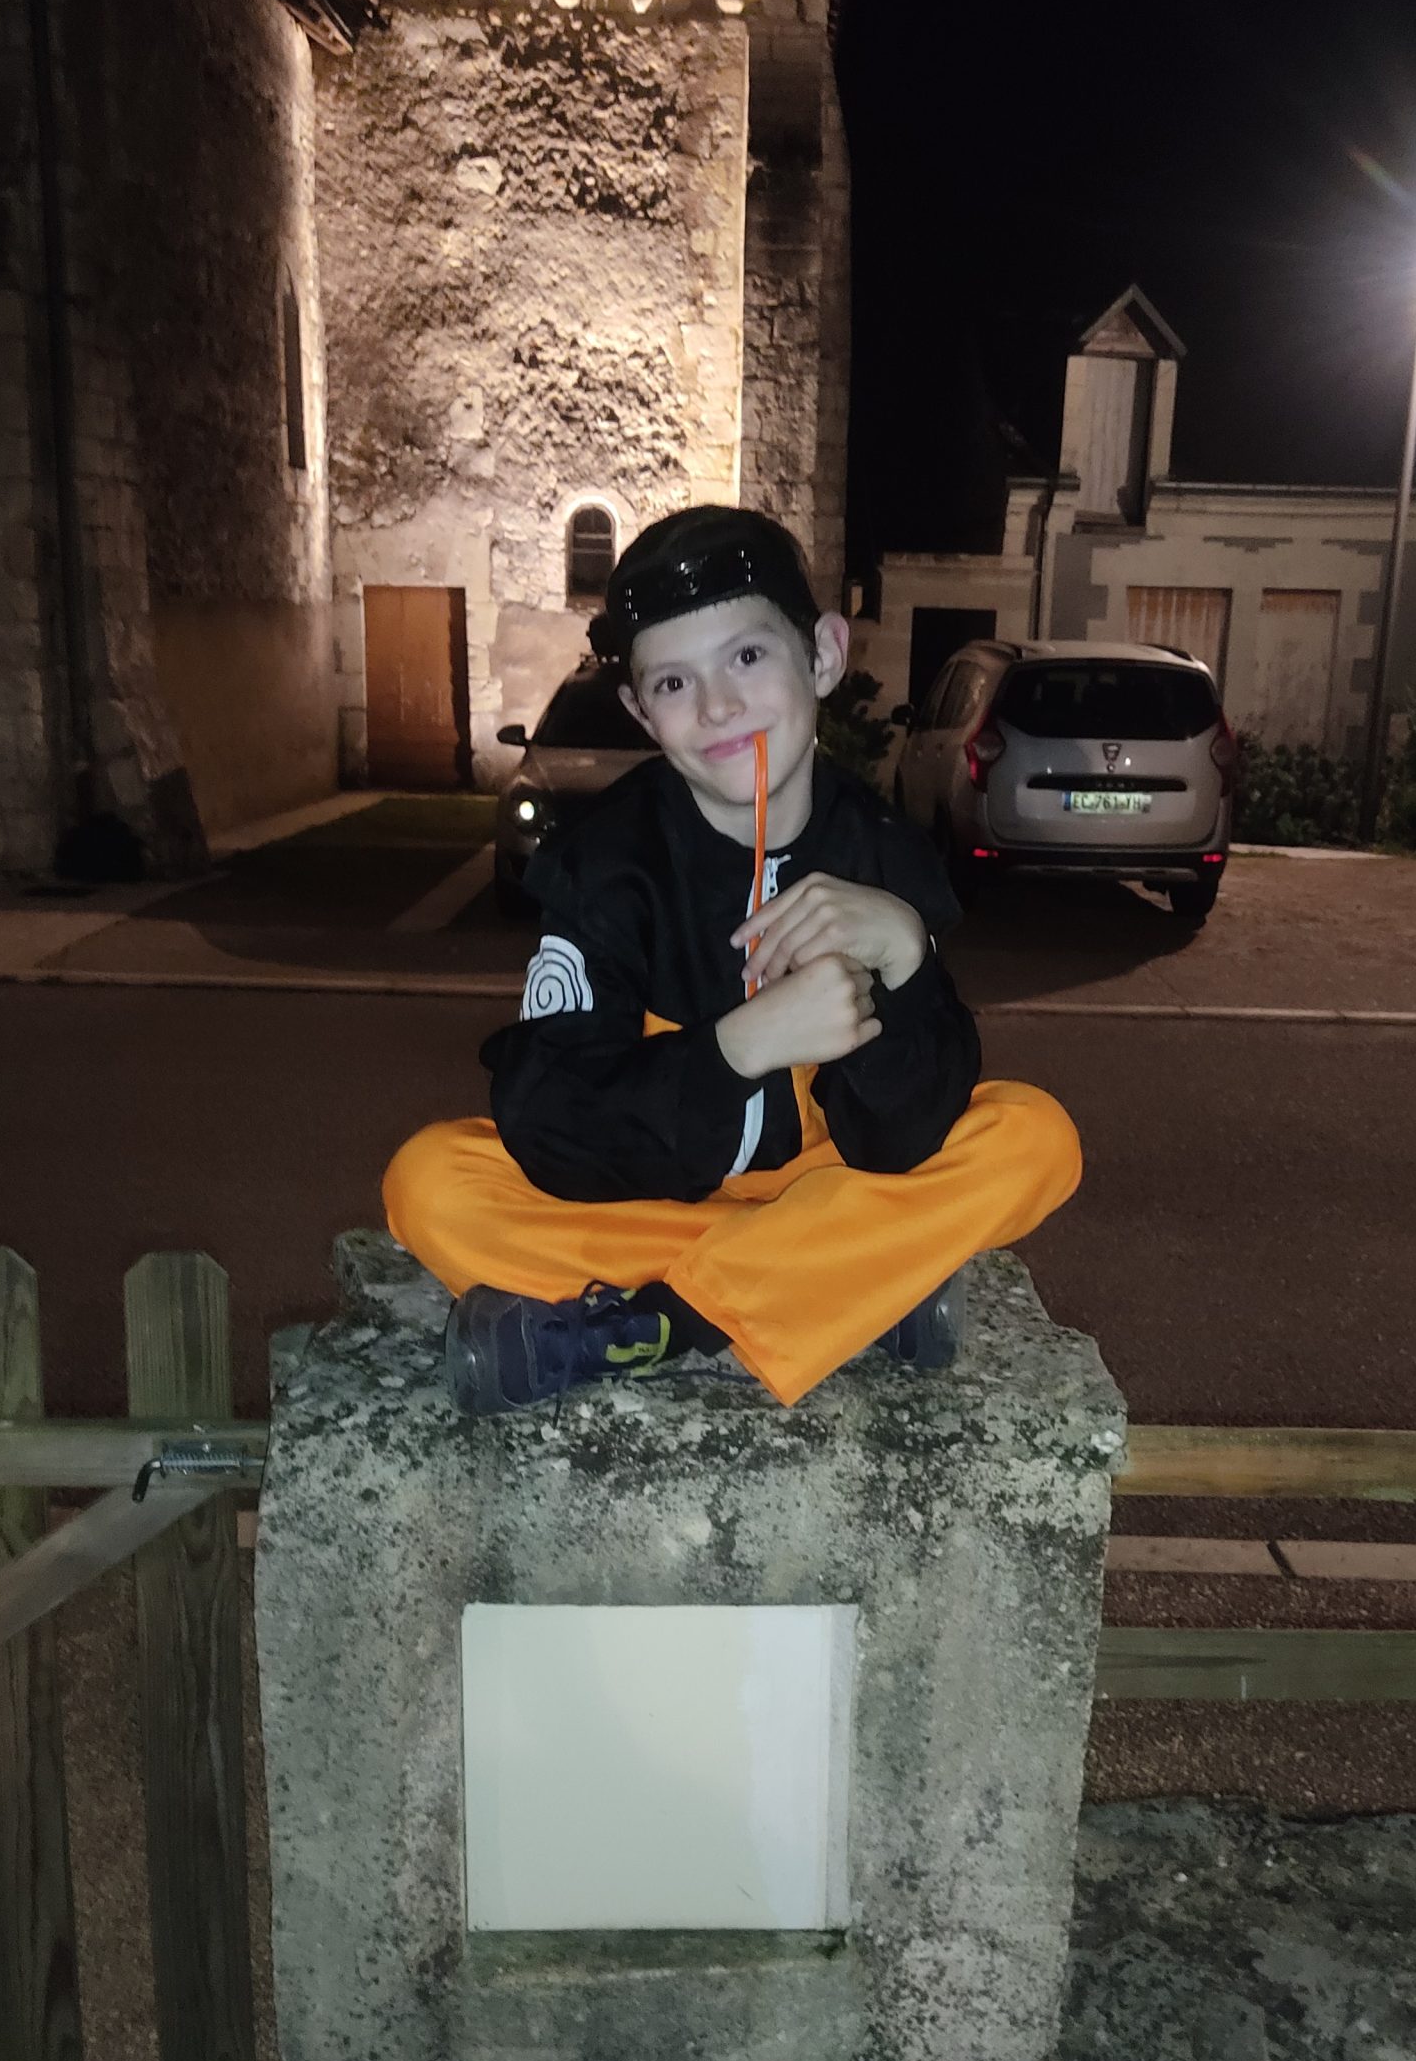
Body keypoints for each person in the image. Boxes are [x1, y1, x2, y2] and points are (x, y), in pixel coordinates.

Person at [381, 505, 1082, 1413]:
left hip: (825, 1185)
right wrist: (739, 1047)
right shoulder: (604, 866)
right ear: (640, 711)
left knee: (1034, 1139)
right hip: (651, 1205)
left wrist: (905, 955)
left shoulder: (885, 857)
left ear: (823, 655)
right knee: (430, 1185)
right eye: (674, 682)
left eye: (748, 657)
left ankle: (660, 1322)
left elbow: (904, 1140)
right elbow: (551, 1121)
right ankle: (850, 1284)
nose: (717, 706)